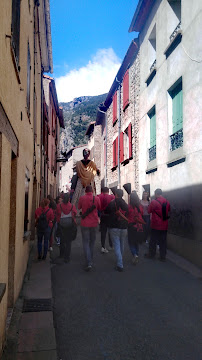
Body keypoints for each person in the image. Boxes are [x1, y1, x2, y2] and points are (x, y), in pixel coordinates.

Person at [78, 185, 101, 271]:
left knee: (85, 242)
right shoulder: (97, 198)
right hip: (94, 223)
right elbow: (99, 207)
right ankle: (90, 258)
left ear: (85, 191)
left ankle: (88, 261)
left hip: (85, 223)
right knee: (92, 241)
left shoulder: (82, 198)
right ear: (92, 191)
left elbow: (79, 207)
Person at [105, 189, 128, 272]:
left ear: (116, 194)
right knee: (122, 244)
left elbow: (106, 211)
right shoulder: (125, 204)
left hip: (114, 226)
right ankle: (120, 260)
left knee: (117, 245)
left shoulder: (112, 203)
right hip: (124, 226)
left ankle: (120, 264)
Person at [145, 188, 170, 261]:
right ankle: (163, 256)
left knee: (153, 240)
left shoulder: (154, 202)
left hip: (156, 224)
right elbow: (168, 210)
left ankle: (152, 254)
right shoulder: (166, 202)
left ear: (156, 194)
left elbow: (149, 211)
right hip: (164, 224)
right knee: (163, 241)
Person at [56, 193, 77, 263]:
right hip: (70, 225)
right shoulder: (72, 206)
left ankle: (61, 254)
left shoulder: (59, 206)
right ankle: (67, 257)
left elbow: (57, 214)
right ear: (69, 199)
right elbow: (75, 213)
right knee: (68, 242)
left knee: (62, 241)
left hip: (61, 225)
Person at [128, 191, 145, 265]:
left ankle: (135, 254)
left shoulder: (129, 207)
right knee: (136, 241)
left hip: (131, 226)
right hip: (139, 226)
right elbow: (142, 214)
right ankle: (137, 254)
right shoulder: (140, 206)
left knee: (131, 242)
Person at [98, 187, 115, 253]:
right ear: (108, 191)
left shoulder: (98, 197)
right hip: (110, 216)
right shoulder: (112, 197)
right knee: (110, 231)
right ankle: (111, 245)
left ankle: (103, 246)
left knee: (103, 232)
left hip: (102, 215)